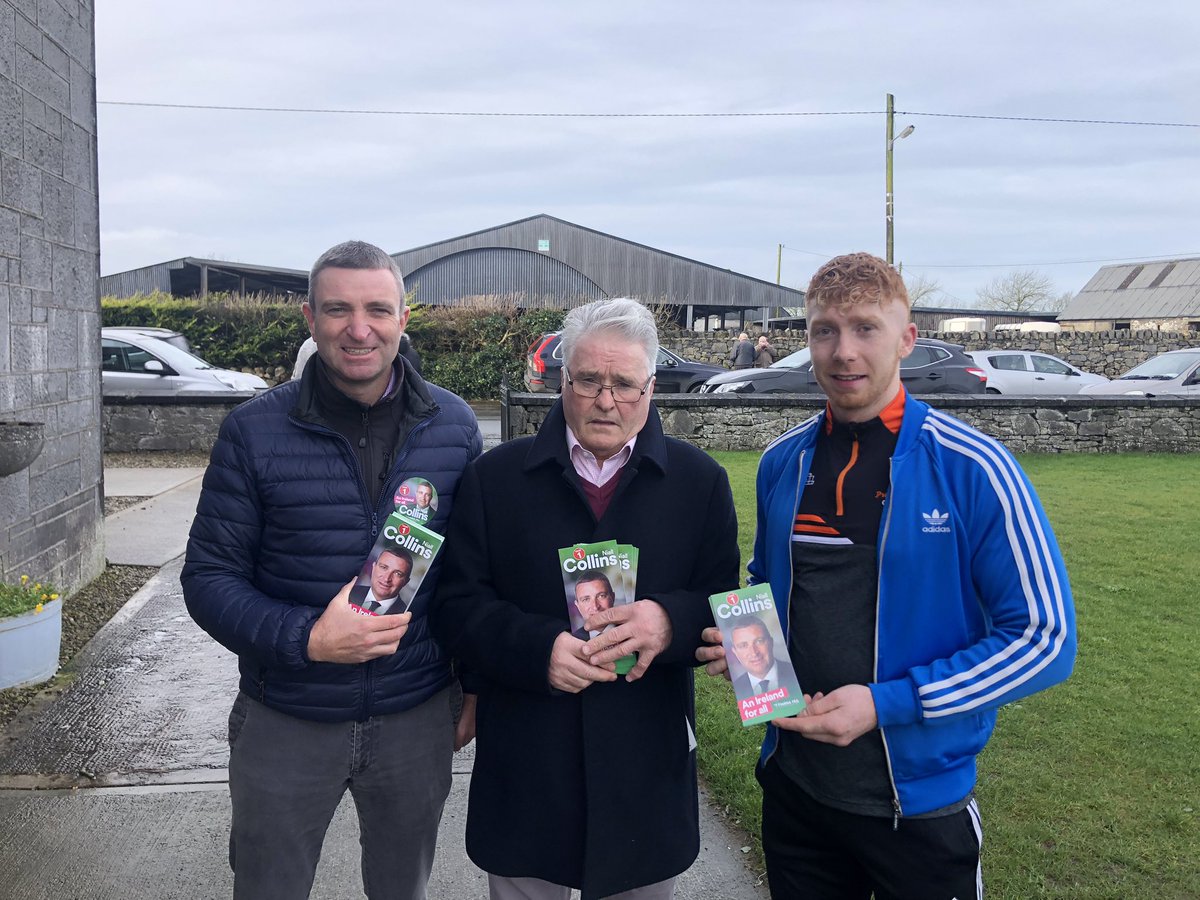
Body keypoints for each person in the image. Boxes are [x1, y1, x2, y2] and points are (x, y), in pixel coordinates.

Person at [698, 252, 1076, 899]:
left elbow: (1043, 639)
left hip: (917, 811)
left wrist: (885, 703)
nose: (844, 351)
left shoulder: (975, 467)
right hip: (797, 793)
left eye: (866, 328)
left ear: (906, 338)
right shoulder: (781, 463)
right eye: (825, 330)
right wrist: (746, 650)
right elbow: (773, 587)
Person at [182, 239, 482, 900]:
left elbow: (473, 576)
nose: (359, 327)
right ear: (309, 317)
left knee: (402, 889)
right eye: (338, 309)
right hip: (287, 715)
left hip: (415, 714)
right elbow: (208, 579)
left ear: (406, 316)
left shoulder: (455, 428)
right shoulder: (253, 431)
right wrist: (307, 638)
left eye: (378, 308)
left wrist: (474, 686)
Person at [432, 297, 740, 900]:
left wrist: (668, 621)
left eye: (624, 383)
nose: (606, 399)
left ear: (651, 386)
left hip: (643, 759)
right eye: (589, 380)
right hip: (528, 755)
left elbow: (721, 600)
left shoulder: (699, 482)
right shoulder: (496, 479)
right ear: (562, 380)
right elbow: (456, 605)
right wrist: (536, 648)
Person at [728, 616, 800, 701]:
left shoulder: (796, 673)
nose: (754, 652)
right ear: (735, 652)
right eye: (743, 645)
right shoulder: (733, 691)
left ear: (771, 642)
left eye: (759, 641)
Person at [353, 547, 414, 614]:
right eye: (383, 567)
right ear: (373, 567)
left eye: (397, 574)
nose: (387, 579)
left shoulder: (405, 615)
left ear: (405, 582)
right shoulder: (349, 592)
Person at [570, 572, 616, 640]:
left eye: (601, 596)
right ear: (577, 606)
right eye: (586, 599)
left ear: (613, 597)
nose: (595, 607)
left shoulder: (631, 628)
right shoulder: (573, 641)